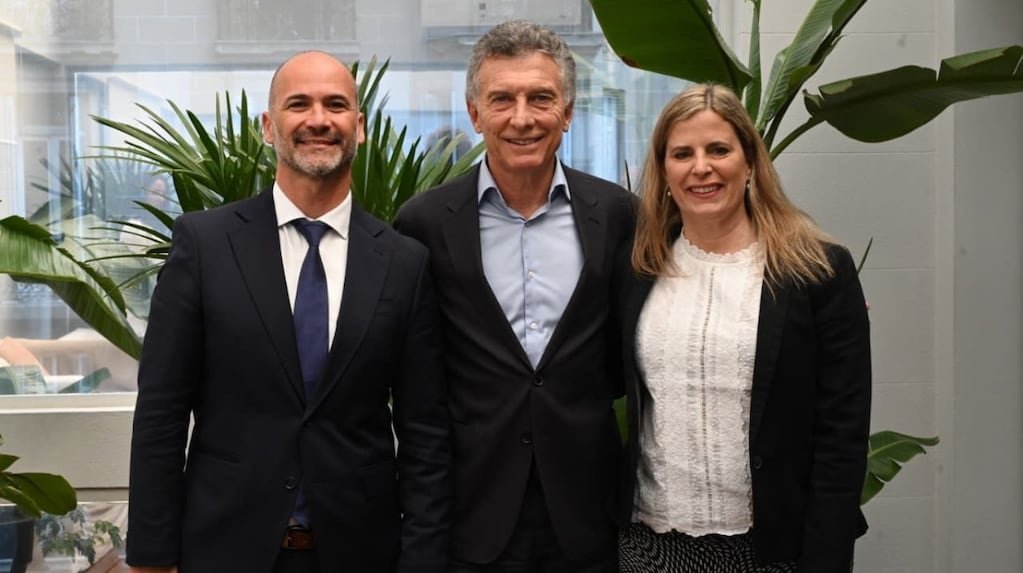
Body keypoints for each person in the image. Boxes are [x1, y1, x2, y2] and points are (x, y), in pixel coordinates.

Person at [126, 50, 451, 573]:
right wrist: (151, 556)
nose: (318, 120)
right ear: (267, 127)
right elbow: (161, 413)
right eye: (298, 104)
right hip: (224, 550)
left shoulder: (403, 262)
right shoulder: (205, 245)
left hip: (362, 554)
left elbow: (425, 432)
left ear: (359, 127)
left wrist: (423, 559)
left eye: (336, 105)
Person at [394, 19, 635, 573]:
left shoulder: (618, 215)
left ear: (567, 112)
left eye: (540, 98)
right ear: (475, 114)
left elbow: (626, 355)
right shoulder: (424, 223)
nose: (521, 118)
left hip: (589, 514)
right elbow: (419, 377)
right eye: (501, 99)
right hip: (471, 515)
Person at [617, 83, 871, 573]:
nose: (701, 167)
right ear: (664, 171)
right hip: (651, 545)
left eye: (719, 150)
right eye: (682, 154)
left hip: (772, 547)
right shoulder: (639, 267)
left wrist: (827, 556)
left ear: (750, 162)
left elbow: (843, 432)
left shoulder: (817, 270)